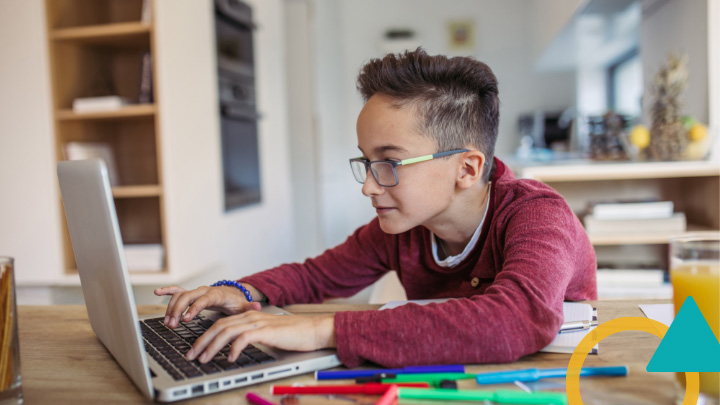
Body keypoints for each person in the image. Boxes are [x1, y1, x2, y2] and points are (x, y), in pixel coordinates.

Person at [155, 48, 596, 368]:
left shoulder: (538, 216)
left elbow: (516, 319)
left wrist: (323, 329)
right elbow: (316, 276)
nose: (368, 186)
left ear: (466, 167)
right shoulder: (405, 228)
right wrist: (241, 291)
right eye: (367, 162)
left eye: (388, 163)